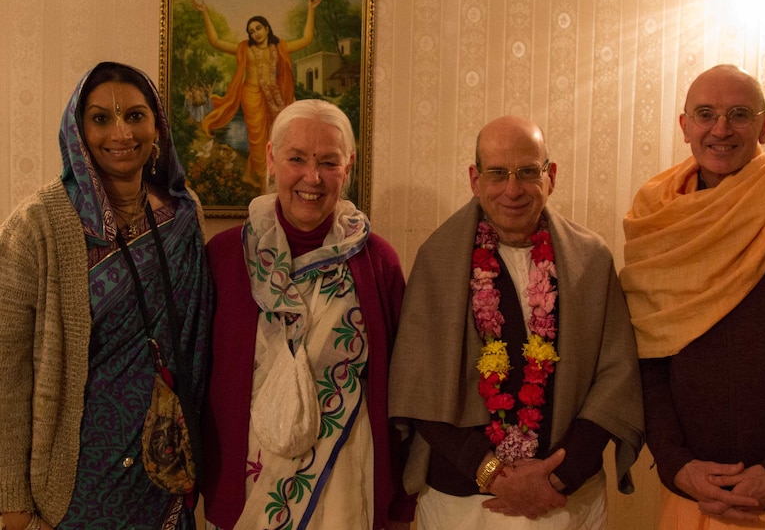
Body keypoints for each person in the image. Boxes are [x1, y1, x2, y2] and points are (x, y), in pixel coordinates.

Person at [619, 64, 765, 529]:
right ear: (685, 126)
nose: (721, 129)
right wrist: (675, 462)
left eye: (739, 114)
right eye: (706, 114)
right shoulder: (659, 216)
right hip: (692, 491)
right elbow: (646, 354)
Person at [388, 115, 644, 529]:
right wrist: (494, 475)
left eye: (528, 172)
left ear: (551, 176)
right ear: (475, 179)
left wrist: (561, 474)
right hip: (464, 503)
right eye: (497, 173)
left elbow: (617, 378)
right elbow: (419, 389)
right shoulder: (437, 259)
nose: (512, 189)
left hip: (566, 498)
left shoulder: (591, 261)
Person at [0, 62, 212, 529]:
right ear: (78, 130)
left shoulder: (181, 215)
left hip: (166, 461)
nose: (121, 132)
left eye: (135, 115)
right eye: (101, 118)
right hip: (74, 478)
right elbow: (6, 375)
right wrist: (11, 503)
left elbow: (199, 340)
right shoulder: (38, 225)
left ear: (157, 125)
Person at [201, 99, 414, 530]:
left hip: (345, 483)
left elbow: (401, 384)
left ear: (348, 167)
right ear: (271, 160)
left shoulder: (378, 262)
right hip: (249, 483)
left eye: (328, 162)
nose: (311, 178)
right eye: (297, 158)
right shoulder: (224, 257)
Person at [193, 0, 323, 191]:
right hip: (251, 95)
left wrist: (311, 10)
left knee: (277, 136)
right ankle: (264, 181)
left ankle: (250, 174)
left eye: (258, 28)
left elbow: (306, 39)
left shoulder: (280, 46)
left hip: (275, 97)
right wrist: (205, 13)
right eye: (251, 31)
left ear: (267, 28)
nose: (255, 33)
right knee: (257, 139)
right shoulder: (244, 48)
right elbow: (216, 41)